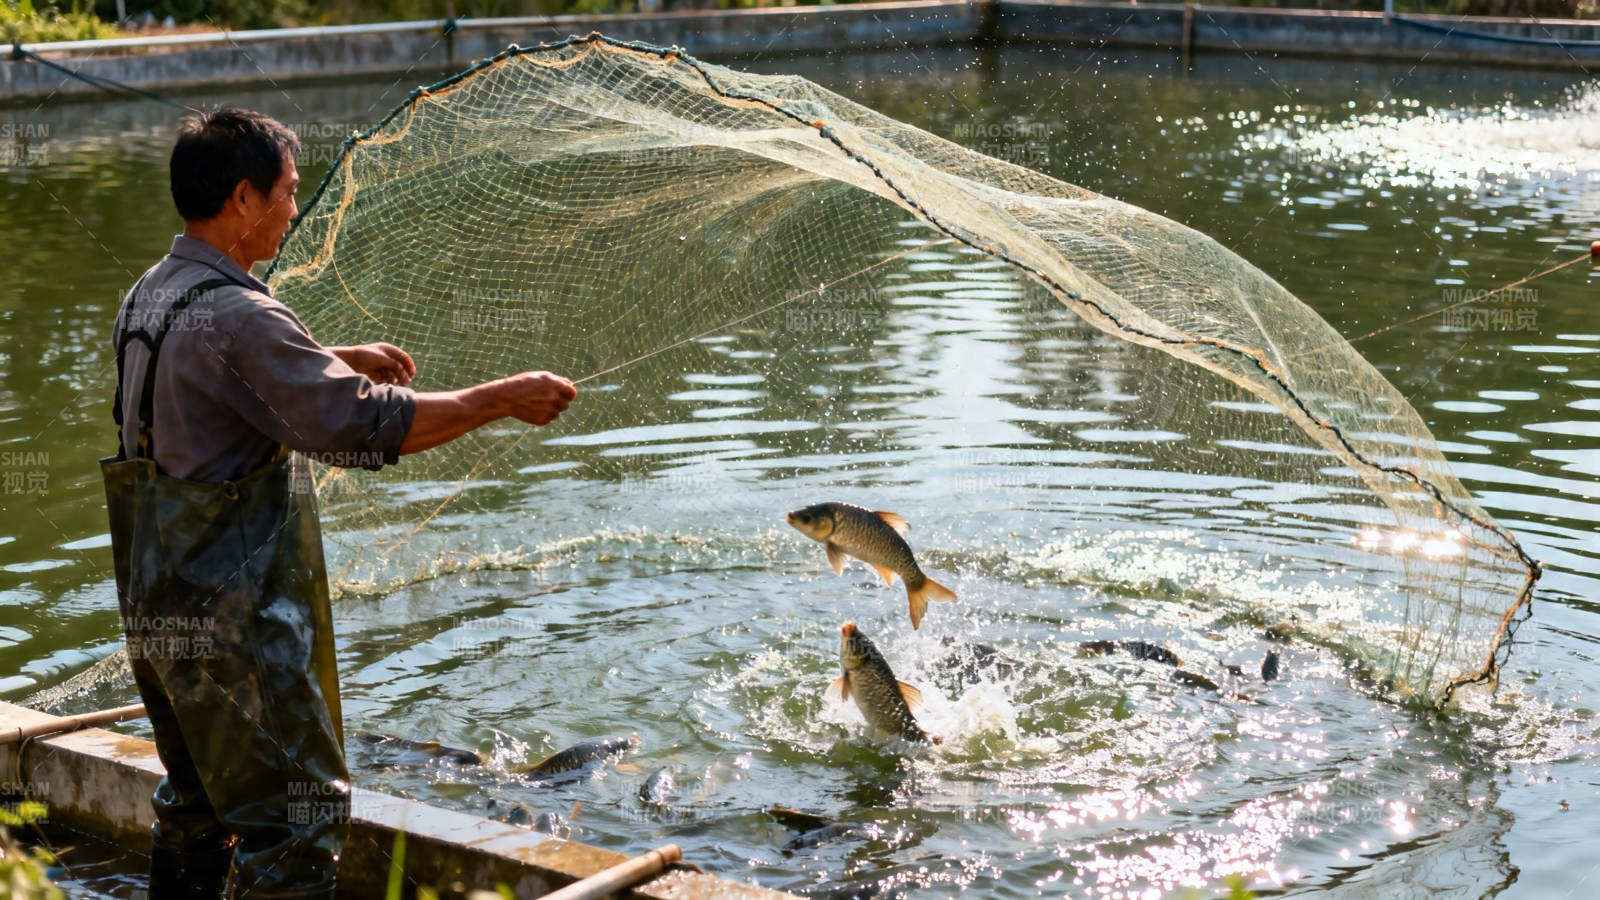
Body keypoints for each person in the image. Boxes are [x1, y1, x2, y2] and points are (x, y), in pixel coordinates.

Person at [104, 107, 576, 900]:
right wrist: (500, 398)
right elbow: (360, 427)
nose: (295, 209)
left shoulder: (152, 294)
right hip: (232, 627)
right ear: (243, 198)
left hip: (157, 611)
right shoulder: (241, 314)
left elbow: (211, 383)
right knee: (301, 817)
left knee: (199, 802)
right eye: (288, 192)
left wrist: (325, 358)